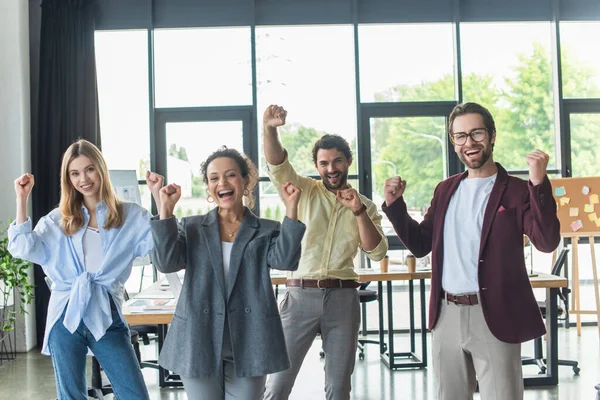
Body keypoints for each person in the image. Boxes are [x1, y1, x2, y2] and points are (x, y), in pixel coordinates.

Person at [382, 102, 561, 400]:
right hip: (445, 315)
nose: (469, 142)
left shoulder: (517, 190)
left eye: (476, 133)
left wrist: (539, 182)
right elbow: (422, 243)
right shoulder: (445, 190)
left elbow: (546, 241)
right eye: (460, 136)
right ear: (454, 142)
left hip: (495, 315)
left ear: (492, 136)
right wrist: (395, 206)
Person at [8, 139, 164, 400]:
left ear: (101, 169)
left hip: (106, 313)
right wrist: (21, 199)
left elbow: (164, 246)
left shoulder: (130, 216)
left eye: (89, 169)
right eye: (75, 173)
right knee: (71, 396)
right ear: (68, 178)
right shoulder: (57, 219)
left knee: (134, 394)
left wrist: (160, 200)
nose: (84, 179)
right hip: (65, 314)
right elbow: (22, 247)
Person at [151, 147, 306, 400]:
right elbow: (167, 263)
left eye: (230, 175)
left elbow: (286, 259)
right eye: (214, 178)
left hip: (250, 339)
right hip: (198, 339)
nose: (222, 182)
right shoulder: (191, 227)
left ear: (246, 181)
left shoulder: (266, 229)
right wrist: (165, 210)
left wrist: (291, 209)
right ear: (209, 187)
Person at [261, 105, 389, 400]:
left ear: (348, 161)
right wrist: (270, 128)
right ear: (317, 166)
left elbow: (378, 252)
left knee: (338, 387)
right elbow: (278, 164)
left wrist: (357, 210)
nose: (331, 169)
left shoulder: (365, 205)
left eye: (337, 161)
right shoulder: (303, 190)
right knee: (277, 385)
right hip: (299, 296)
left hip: (343, 299)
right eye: (324, 163)